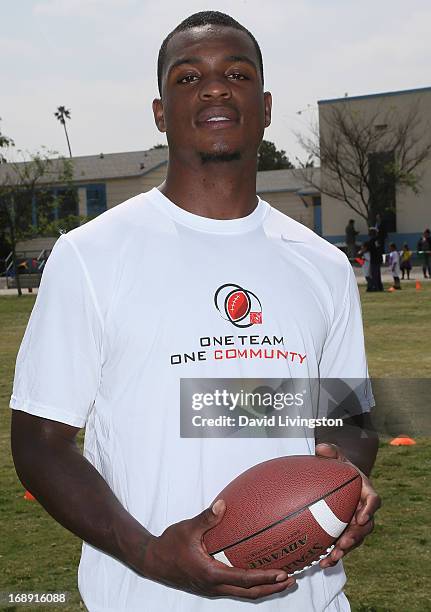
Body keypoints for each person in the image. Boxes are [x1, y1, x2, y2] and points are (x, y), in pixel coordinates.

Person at [10, 12, 380, 612]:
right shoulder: (91, 255)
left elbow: (348, 421)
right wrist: (149, 553)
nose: (213, 87)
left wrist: (350, 484)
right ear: (160, 113)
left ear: (262, 106)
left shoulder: (324, 265)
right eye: (187, 78)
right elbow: (39, 444)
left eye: (236, 73)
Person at [367, 227, 383, 291]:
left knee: (374, 274)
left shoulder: (373, 240)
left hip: (374, 260)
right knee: (377, 274)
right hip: (377, 259)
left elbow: (372, 249)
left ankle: (375, 287)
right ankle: (379, 287)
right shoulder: (378, 240)